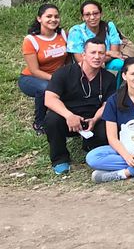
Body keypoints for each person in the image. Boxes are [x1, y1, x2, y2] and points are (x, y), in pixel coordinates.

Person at [44, 38, 116, 174]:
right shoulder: (64, 73)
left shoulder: (108, 78)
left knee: (110, 122)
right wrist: (69, 115)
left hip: (93, 118)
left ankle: (91, 147)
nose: (97, 57)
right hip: (68, 118)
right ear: (83, 54)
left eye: (101, 53)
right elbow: (49, 99)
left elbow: (108, 104)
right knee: (52, 120)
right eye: (92, 52)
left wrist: (95, 119)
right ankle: (60, 159)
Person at [19, 4, 68, 133]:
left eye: (56, 16)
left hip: (57, 76)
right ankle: (39, 122)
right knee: (45, 88)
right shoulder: (30, 40)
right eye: (49, 16)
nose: (53, 19)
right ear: (39, 18)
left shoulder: (63, 34)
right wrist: (56, 79)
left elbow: (69, 59)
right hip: (31, 78)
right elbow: (34, 71)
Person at [67, 0, 124, 73]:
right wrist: (108, 53)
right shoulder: (76, 31)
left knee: (119, 64)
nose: (92, 17)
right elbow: (80, 59)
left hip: (107, 63)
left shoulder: (109, 27)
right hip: (84, 67)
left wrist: (99, 60)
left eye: (95, 13)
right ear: (82, 17)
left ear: (101, 14)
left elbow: (115, 53)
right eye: (87, 14)